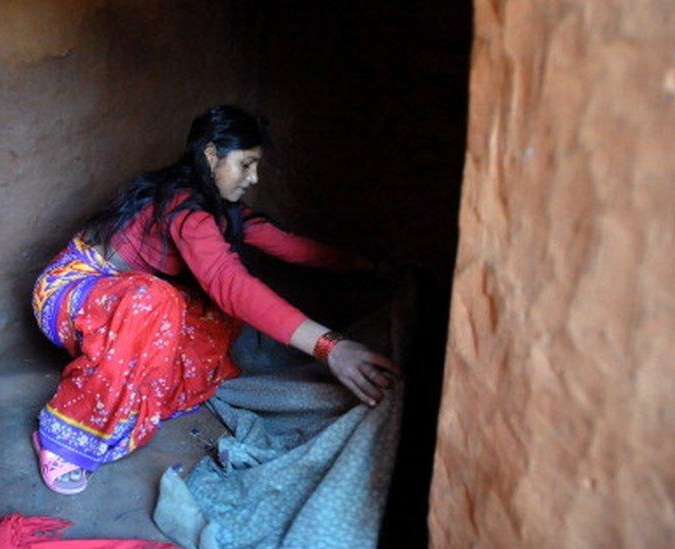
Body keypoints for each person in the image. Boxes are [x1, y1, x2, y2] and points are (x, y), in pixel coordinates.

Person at [30, 105, 400, 495]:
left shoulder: (221, 211)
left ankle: (140, 396)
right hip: (67, 295)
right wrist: (331, 347)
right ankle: (64, 441)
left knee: (215, 317)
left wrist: (367, 265)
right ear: (210, 156)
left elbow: (289, 246)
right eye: (246, 164)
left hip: (119, 308)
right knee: (155, 300)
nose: (253, 178)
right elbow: (231, 283)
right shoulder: (180, 205)